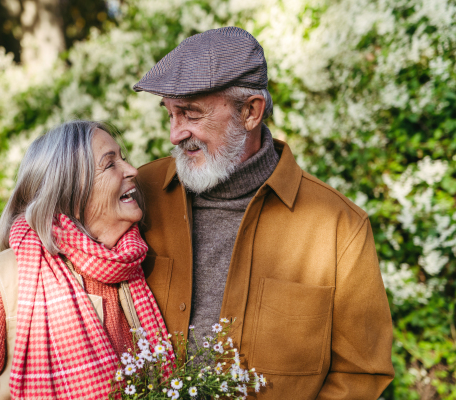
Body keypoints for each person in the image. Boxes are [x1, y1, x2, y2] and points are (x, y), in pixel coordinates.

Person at [133, 27, 394, 399]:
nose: (175, 134)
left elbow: (362, 374)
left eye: (191, 113)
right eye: (171, 114)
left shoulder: (338, 226)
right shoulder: (137, 194)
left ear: (251, 112)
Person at [0, 121, 171, 399]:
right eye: (110, 164)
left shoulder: (138, 265)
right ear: (71, 193)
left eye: (122, 158)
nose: (132, 170)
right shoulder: (6, 285)